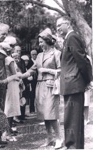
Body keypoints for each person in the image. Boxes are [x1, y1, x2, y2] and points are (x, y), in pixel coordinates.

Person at [17, 29, 62, 148]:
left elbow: (62, 70)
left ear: (48, 41)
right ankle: (49, 138)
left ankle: (58, 138)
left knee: (51, 114)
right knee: (43, 114)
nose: (40, 44)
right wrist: (21, 75)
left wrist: (47, 70)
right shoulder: (40, 55)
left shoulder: (56, 53)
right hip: (40, 86)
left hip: (51, 86)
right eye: (39, 42)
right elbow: (32, 69)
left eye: (42, 42)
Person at [56, 16, 91, 149]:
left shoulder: (72, 37)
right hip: (71, 84)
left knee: (73, 119)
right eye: (56, 26)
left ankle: (73, 146)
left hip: (74, 84)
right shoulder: (68, 39)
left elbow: (82, 60)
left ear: (68, 24)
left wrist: (87, 79)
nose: (57, 28)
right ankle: (75, 146)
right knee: (73, 119)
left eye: (59, 25)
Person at [12, 46, 27, 122]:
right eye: (17, 50)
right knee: (15, 99)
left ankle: (20, 116)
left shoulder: (21, 62)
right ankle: (15, 117)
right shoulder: (12, 63)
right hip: (15, 83)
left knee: (21, 98)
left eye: (20, 51)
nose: (19, 52)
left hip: (21, 82)